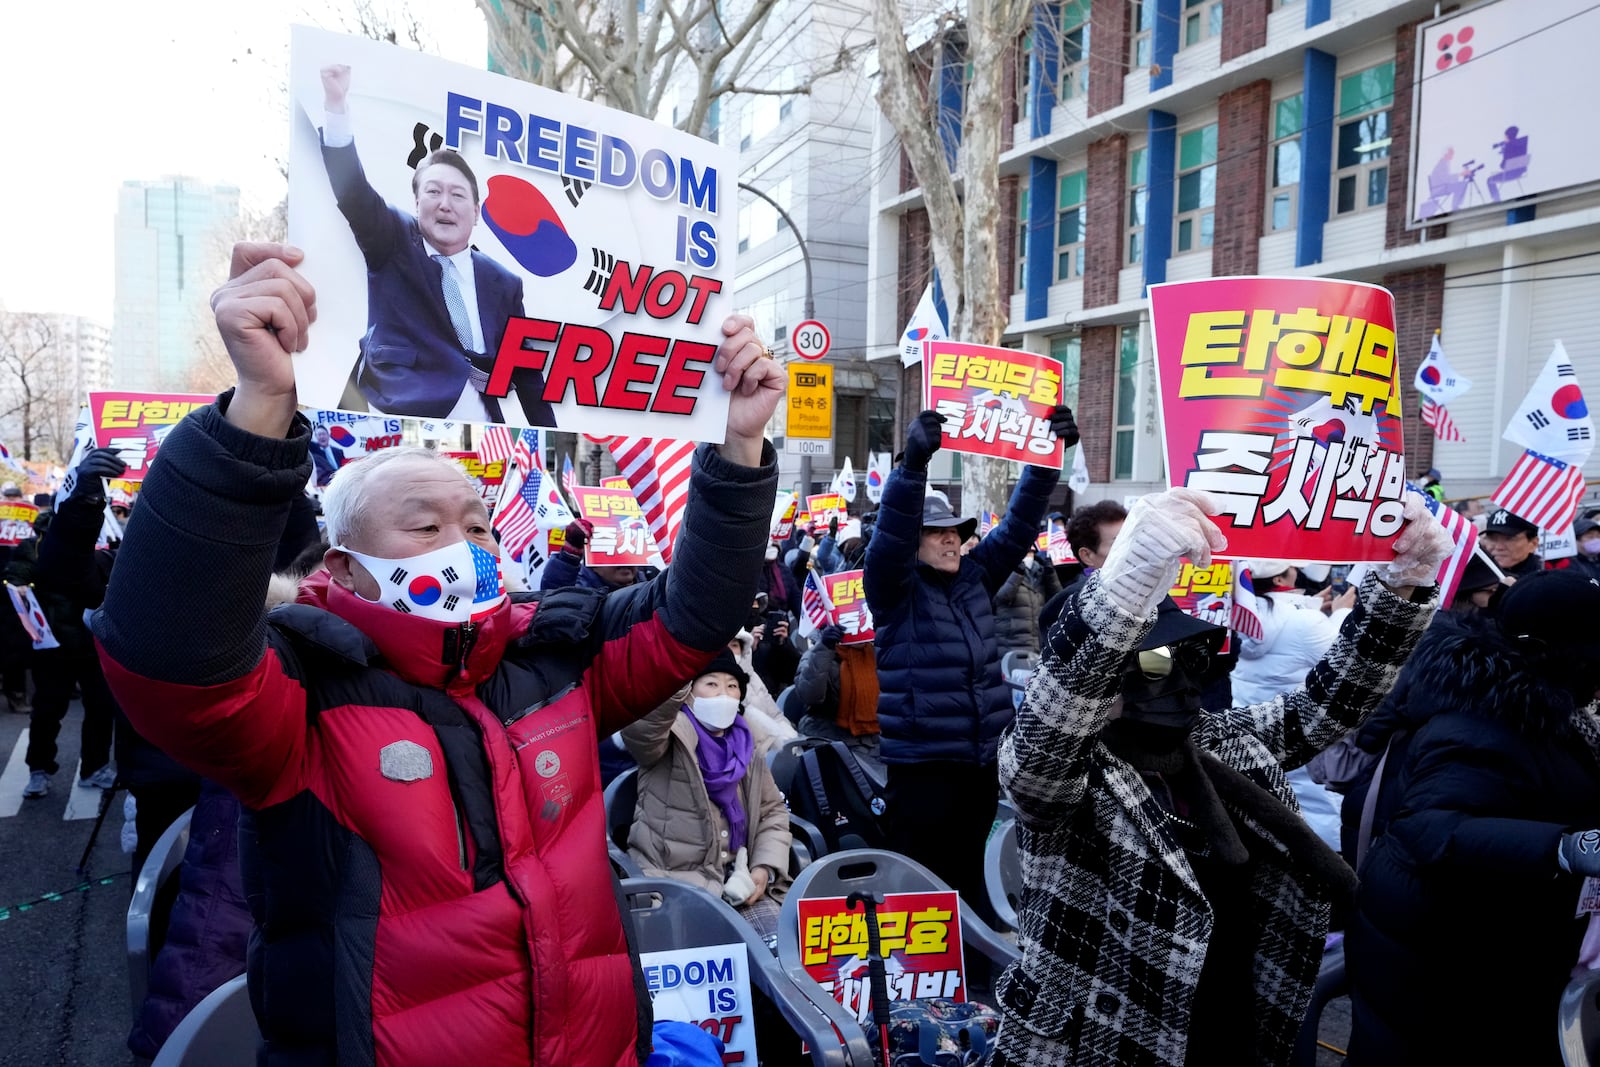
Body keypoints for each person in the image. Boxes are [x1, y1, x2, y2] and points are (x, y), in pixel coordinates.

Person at [93, 241, 784, 1066]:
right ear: (345, 566)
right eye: (424, 526)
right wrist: (259, 407)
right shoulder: (300, 696)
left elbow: (693, 614)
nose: (462, 542)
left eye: (479, 523)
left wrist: (739, 450)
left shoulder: (554, 656)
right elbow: (171, 658)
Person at [989, 487, 1452, 1066]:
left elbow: (1326, 705)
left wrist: (1401, 586)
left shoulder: (1215, 741)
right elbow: (1055, 718)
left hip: (1231, 1023)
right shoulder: (1060, 770)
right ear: (1102, 675)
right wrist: (1126, 586)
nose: (1184, 679)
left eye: (1193, 655)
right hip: (1103, 1044)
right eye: (1155, 661)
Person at [1346, 571, 1600, 1065]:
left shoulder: (1541, 703)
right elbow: (1428, 826)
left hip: (1490, 939)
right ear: (1557, 649)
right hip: (1446, 962)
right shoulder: (1481, 720)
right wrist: (1569, 846)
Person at [864, 405, 1076, 913]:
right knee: (921, 891)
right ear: (912, 542)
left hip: (981, 763)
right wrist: (912, 467)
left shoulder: (974, 577)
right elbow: (890, 537)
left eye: (956, 530)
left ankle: (973, 982)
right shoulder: (892, 591)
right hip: (923, 768)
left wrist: (1047, 459)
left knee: (969, 882)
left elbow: (1020, 525)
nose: (950, 537)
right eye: (936, 531)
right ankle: (918, 985)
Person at [318, 64, 553, 424]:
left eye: (457, 195)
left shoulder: (504, 283)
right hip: (393, 409)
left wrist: (545, 435)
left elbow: (526, 373)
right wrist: (336, 107)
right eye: (433, 191)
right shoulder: (393, 240)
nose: (445, 203)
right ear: (416, 204)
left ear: (476, 212)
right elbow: (354, 195)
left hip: (478, 425)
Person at [621, 651, 792, 936]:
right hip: (672, 890)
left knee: (777, 956)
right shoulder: (667, 737)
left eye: (732, 686)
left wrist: (763, 870)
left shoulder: (748, 744)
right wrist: (674, 678)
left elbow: (772, 812)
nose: (723, 694)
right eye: (711, 684)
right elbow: (643, 730)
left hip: (742, 885)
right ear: (689, 691)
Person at [19, 450, 129, 799]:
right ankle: (38, 769)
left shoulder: (102, 549)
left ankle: (94, 768)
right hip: (51, 646)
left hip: (93, 645)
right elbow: (22, 580)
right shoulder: (34, 549)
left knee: (100, 708)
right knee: (48, 710)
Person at [1230, 558, 1355, 707]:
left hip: (1245, 718)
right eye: (1292, 567)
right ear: (1278, 580)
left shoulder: (1235, 616)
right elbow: (1346, 659)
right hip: (1293, 721)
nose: (1296, 571)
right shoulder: (1306, 622)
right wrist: (1342, 612)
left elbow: (1282, 622)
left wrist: (1308, 605)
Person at [791, 622, 881, 771]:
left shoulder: (876, 654)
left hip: (875, 741)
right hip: (831, 740)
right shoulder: (815, 654)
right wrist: (825, 648)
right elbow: (809, 695)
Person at [992, 544, 1062, 659]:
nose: (1029, 556)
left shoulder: (1040, 572)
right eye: (1026, 552)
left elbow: (1059, 601)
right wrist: (1017, 572)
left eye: (1031, 552)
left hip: (1038, 649)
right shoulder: (1003, 569)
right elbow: (1001, 599)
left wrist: (1051, 574)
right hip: (1011, 649)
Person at [540, 518, 638, 591]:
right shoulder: (580, 592)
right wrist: (569, 557)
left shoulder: (649, 587)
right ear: (592, 563)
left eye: (628, 549)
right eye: (612, 551)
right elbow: (556, 597)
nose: (625, 562)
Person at [1481, 506, 1543, 578]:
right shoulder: (1476, 579)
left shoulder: (1545, 581)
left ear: (1533, 544)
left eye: (1509, 539)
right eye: (1492, 538)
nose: (1499, 547)